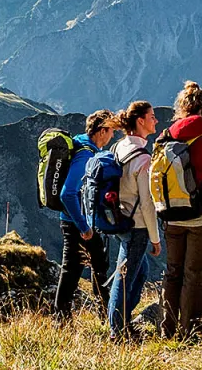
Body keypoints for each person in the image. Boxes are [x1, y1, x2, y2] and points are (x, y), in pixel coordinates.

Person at [159, 82, 202, 339]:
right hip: (201, 216)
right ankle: (190, 328)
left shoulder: (165, 137)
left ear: (182, 108)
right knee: (194, 273)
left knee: (173, 271)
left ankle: (167, 328)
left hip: (170, 216)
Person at [53, 110, 119, 318]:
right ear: (101, 131)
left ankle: (96, 315)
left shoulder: (81, 145)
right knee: (80, 270)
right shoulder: (85, 155)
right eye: (111, 131)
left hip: (78, 221)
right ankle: (66, 318)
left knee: (87, 267)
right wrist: (84, 226)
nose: (112, 136)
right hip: (78, 224)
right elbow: (67, 193)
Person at [106, 100, 161, 340]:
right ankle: (118, 331)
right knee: (125, 277)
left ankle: (122, 321)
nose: (155, 120)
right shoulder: (143, 158)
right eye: (151, 116)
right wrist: (155, 238)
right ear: (140, 121)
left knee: (138, 272)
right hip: (137, 225)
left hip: (119, 218)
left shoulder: (119, 147)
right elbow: (148, 203)